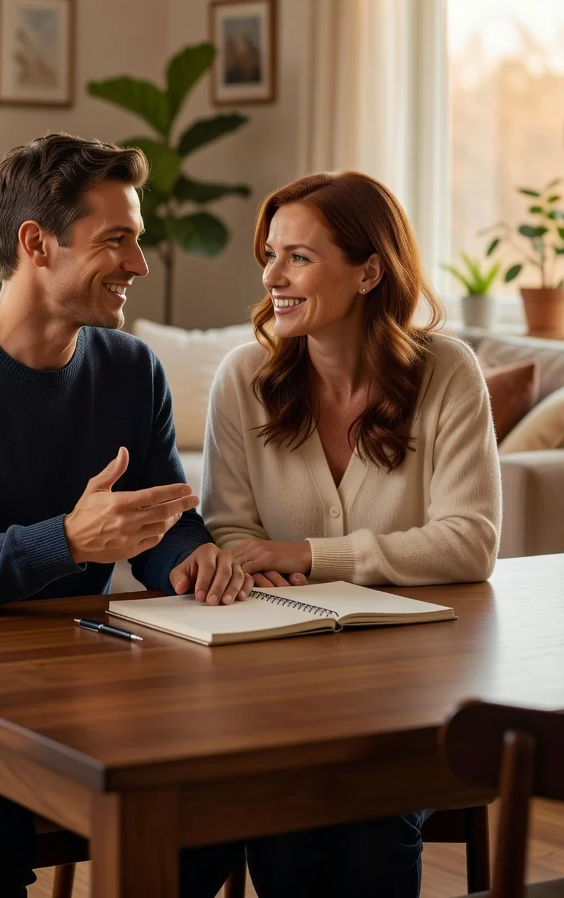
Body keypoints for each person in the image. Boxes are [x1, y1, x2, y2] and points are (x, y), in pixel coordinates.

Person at [0, 133, 251, 898]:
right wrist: (68, 539)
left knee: (206, 819)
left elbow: (160, 520)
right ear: (37, 244)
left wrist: (189, 557)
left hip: (79, 680)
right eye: (117, 241)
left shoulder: (131, 370)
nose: (139, 265)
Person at [201, 171, 502, 897]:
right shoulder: (243, 378)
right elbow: (230, 531)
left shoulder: (447, 372)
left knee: (372, 822)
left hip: (420, 692)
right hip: (279, 687)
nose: (273, 275)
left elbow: (469, 541)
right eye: (270, 255)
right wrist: (260, 562)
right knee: (284, 819)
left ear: (370, 270)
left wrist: (307, 556)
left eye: (298, 256)